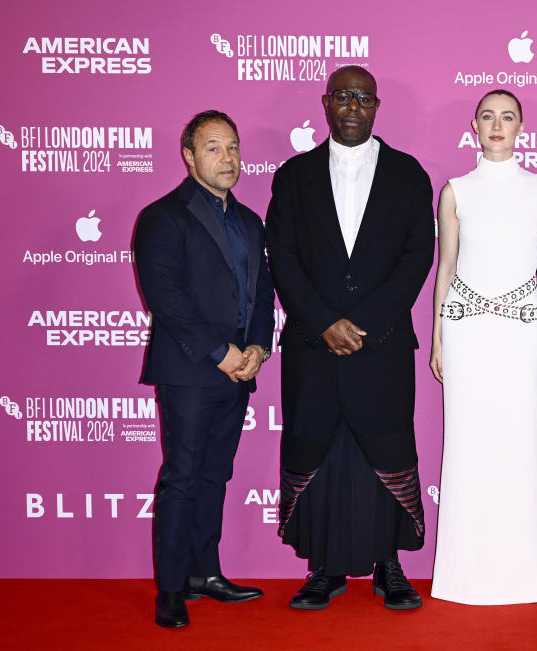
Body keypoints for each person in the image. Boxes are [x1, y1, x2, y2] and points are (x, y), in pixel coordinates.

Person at [265, 65, 435, 611]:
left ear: (377, 107)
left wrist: (363, 322)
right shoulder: (294, 176)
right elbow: (283, 257)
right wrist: (323, 322)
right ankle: (323, 568)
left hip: (381, 345)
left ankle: (390, 567)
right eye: (344, 96)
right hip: (314, 348)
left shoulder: (409, 174)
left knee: (383, 447)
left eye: (364, 98)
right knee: (320, 445)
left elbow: (417, 259)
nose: (354, 106)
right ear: (327, 103)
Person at [134, 110, 275, 628]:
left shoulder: (250, 220)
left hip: (239, 371)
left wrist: (258, 347)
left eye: (233, 147)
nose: (228, 158)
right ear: (189, 156)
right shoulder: (163, 216)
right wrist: (222, 354)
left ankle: (204, 573)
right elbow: (166, 300)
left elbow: (263, 295)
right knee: (183, 476)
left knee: (216, 474)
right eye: (214, 148)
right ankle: (171, 588)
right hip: (192, 371)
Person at [429, 90, 537, 605]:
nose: (497, 125)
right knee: (465, 444)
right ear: (474, 125)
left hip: (523, 331)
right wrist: (440, 334)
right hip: (467, 330)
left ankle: (519, 576)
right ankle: (460, 577)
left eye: (508, 117)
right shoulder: (455, 190)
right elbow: (446, 268)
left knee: (516, 445)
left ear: (522, 127)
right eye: (488, 116)